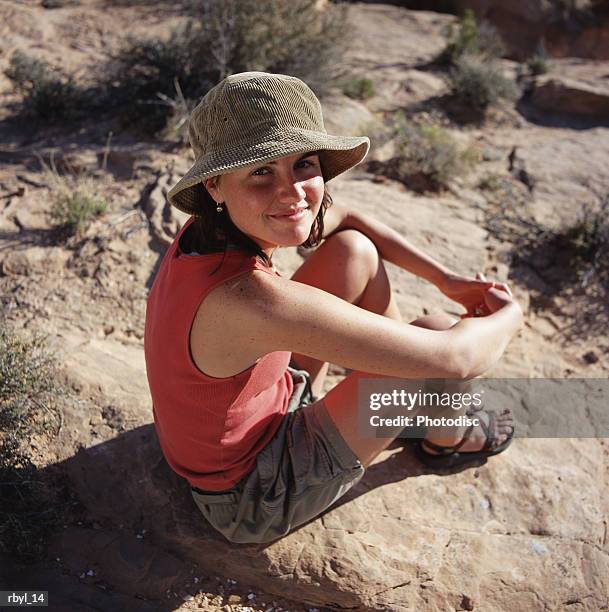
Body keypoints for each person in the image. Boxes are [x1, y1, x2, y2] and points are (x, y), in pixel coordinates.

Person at [144, 71, 523, 545]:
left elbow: (346, 221)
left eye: (304, 164)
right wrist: (511, 315)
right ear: (216, 186)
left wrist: (443, 278)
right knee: (430, 352)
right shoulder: (253, 300)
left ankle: (399, 401)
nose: (292, 192)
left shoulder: (209, 232)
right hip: (253, 494)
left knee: (354, 252)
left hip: (266, 400)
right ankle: (444, 439)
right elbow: (457, 357)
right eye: (261, 171)